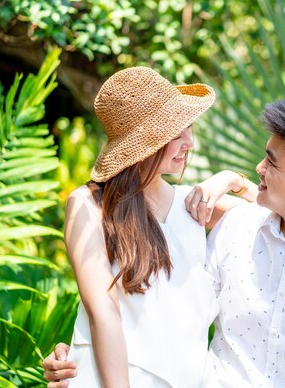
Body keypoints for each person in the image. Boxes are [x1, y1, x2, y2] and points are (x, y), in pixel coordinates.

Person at [45, 96, 285, 387]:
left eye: (270, 161)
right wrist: (79, 355)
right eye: (176, 130)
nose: (259, 168)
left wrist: (228, 180)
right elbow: (110, 314)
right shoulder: (230, 223)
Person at [60, 66, 255, 388]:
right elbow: (102, 311)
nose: (189, 142)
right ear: (147, 141)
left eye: (189, 127)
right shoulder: (89, 203)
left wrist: (233, 180)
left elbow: (279, 223)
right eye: (176, 132)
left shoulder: (193, 204)